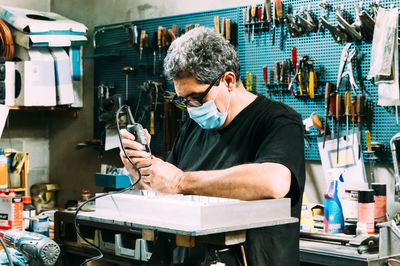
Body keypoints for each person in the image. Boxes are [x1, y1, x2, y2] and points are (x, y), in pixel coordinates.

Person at [120, 26, 305, 265]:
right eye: (183, 100)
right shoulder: (193, 126)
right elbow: (168, 192)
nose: (191, 108)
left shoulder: (278, 121)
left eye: (197, 98)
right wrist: (141, 174)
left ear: (228, 80)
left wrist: (180, 181)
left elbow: (274, 182)